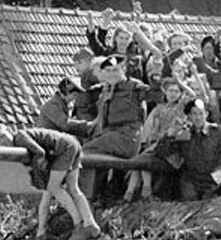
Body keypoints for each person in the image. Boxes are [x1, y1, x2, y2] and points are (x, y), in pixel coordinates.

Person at [0, 124, 101, 240]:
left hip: (63, 148)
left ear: (9, 130)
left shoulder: (19, 138)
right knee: (73, 188)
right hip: (72, 144)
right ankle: (91, 224)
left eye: (2, 136)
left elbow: (40, 153)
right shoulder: (20, 140)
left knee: (54, 187)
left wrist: (38, 174)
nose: (2, 142)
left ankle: (78, 225)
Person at [80, 55, 150, 201]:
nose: (112, 74)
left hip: (126, 138)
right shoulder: (106, 89)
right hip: (110, 137)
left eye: (116, 70)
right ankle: (93, 199)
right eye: (109, 70)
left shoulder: (134, 87)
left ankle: (84, 198)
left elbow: (155, 93)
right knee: (92, 157)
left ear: (123, 69)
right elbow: (99, 121)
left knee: (83, 153)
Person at [158, 99, 221, 200]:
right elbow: (163, 152)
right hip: (191, 179)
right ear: (189, 116)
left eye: (201, 113)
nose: (198, 117)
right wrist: (169, 135)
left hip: (213, 177)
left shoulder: (217, 131)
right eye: (194, 114)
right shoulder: (183, 133)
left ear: (206, 114)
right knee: (189, 203)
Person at [123, 78, 190, 202]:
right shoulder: (159, 108)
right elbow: (151, 128)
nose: (173, 94)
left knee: (142, 160)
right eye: (170, 91)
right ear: (165, 92)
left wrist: (180, 80)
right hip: (155, 143)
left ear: (180, 94)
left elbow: (192, 95)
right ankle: (130, 192)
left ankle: (145, 189)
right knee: (139, 161)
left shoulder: (181, 108)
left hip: (171, 145)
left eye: (176, 91)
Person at [72, 48, 101, 122]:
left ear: (90, 62)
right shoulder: (83, 78)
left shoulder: (93, 78)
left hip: (90, 118)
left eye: (80, 63)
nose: (76, 67)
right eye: (75, 63)